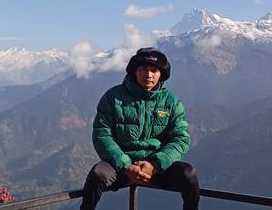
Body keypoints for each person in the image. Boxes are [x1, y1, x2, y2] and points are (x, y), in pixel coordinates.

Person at [80, 47, 199, 210]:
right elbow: (102, 134)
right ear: (135, 71)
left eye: (154, 70)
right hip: (120, 165)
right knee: (98, 174)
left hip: (157, 166)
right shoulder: (113, 97)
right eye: (143, 69)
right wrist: (126, 165)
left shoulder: (171, 101)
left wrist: (155, 165)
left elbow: (181, 138)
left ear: (161, 74)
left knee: (188, 174)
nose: (148, 75)